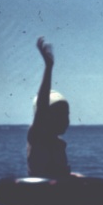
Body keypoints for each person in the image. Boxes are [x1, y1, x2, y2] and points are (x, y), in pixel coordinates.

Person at [27, 37, 74, 179]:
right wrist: (49, 67)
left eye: (66, 115)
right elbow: (42, 107)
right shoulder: (37, 137)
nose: (65, 120)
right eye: (58, 116)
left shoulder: (58, 144)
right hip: (43, 192)